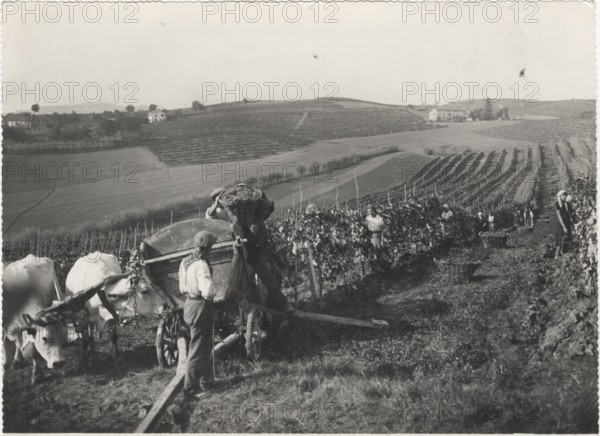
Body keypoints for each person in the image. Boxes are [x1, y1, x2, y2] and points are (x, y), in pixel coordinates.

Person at [179, 231, 218, 399]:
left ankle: (206, 380)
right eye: (211, 246)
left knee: (206, 344)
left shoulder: (185, 261)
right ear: (207, 247)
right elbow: (208, 290)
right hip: (201, 307)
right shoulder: (201, 264)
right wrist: (211, 295)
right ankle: (190, 389)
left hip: (189, 304)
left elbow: (181, 286)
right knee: (198, 348)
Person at [554, 190, 572, 259]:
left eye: (565, 196)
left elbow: (570, 213)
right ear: (560, 196)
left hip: (568, 223)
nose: (564, 197)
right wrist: (564, 227)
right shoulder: (557, 204)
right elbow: (559, 217)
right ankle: (557, 254)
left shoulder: (567, 204)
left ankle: (564, 253)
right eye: (563, 196)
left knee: (567, 238)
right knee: (560, 239)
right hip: (561, 225)